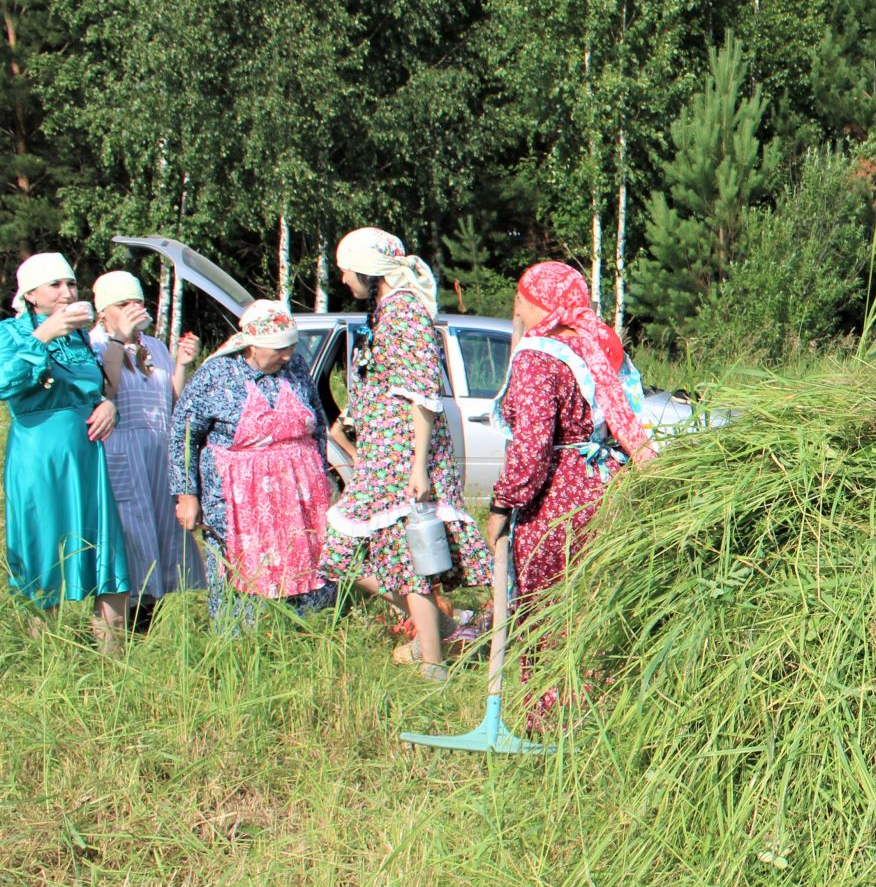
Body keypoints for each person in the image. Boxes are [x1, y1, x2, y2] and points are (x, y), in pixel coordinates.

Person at [485, 261, 655, 721]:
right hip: (607, 486)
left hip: (559, 495)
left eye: (520, 297)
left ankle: (551, 717)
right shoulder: (597, 342)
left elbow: (533, 443)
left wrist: (503, 503)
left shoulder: (539, 355)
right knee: (592, 603)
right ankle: (602, 710)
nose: (516, 306)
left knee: (547, 607)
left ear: (537, 303)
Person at [318, 227, 486, 678]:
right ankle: (441, 627)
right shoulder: (385, 313)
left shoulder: (406, 313)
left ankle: (433, 664)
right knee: (342, 555)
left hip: (405, 460)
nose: (344, 281)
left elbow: (421, 395)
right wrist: (351, 422)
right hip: (382, 457)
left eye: (347, 271)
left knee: (410, 561)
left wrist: (418, 466)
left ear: (370, 272)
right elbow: (383, 383)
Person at [171, 300, 335, 620]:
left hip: (299, 495)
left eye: (290, 346)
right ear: (252, 344)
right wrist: (186, 495)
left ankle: (307, 632)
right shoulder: (217, 374)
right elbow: (183, 435)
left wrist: (322, 470)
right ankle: (242, 641)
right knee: (242, 570)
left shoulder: (297, 367)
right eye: (278, 348)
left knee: (305, 562)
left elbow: (317, 425)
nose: (286, 355)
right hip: (238, 498)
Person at [0, 253, 129, 644]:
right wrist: (43, 334)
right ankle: (46, 664)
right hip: (40, 460)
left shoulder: (79, 338)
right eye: (55, 284)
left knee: (108, 559)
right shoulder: (12, 332)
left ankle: (115, 672)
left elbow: (97, 391)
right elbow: (5, 384)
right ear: (30, 294)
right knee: (45, 559)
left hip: (87, 460)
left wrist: (109, 406)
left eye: (71, 284)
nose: (66, 291)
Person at [90, 270, 205, 612]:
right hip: (121, 452)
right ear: (103, 311)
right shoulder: (95, 344)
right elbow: (103, 390)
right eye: (123, 304)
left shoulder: (152, 346)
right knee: (131, 537)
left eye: (138, 302)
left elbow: (172, 403)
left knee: (160, 536)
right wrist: (118, 338)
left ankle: (143, 630)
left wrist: (182, 365)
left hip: (158, 452)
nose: (133, 309)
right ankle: (114, 630)